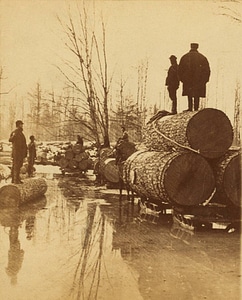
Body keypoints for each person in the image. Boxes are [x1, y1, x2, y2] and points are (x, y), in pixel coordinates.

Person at [178, 43, 210, 111]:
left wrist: (182, 79)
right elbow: (207, 70)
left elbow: (180, 70)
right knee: (197, 94)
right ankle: (196, 108)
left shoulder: (184, 57)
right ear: (197, 47)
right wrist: (204, 81)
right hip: (198, 81)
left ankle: (190, 108)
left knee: (189, 94)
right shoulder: (202, 57)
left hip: (188, 80)